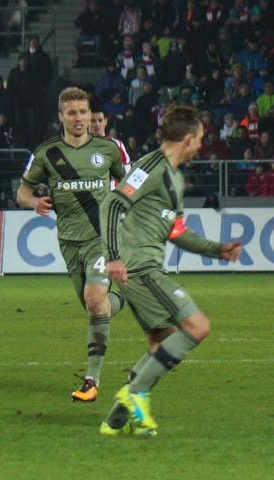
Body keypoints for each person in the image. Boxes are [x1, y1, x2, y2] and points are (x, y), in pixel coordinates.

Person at [98, 104, 242, 436]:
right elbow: (113, 203)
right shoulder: (150, 167)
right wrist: (114, 257)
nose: (201, 145)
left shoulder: (174, 177)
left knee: (159, 345)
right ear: (188, 138)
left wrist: (216, 250)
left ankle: (116, 420)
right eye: (200, 138)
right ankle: (135, 396)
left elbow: (175, 231)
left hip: (143, 267)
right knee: (197, 326)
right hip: (140, 268)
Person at [16, 87, 127, 402]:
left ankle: (92, 380)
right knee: (96, 308)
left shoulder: (107, 150)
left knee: (94, 301)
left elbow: (128, 184)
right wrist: (33, 202)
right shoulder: (47, 153)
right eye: (73, 113)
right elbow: (22, 192)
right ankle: (126, 299)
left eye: (84, 112)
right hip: (68, 242)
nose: (79, 119)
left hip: (101, 238)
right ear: (61, 116)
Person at [89, 102, 131, 188]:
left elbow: (126, 171)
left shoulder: (116, 145)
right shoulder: (80, 147)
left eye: (100, 120)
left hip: (112, 195)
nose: (97, 124)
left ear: (105, 121)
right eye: (93, 121)